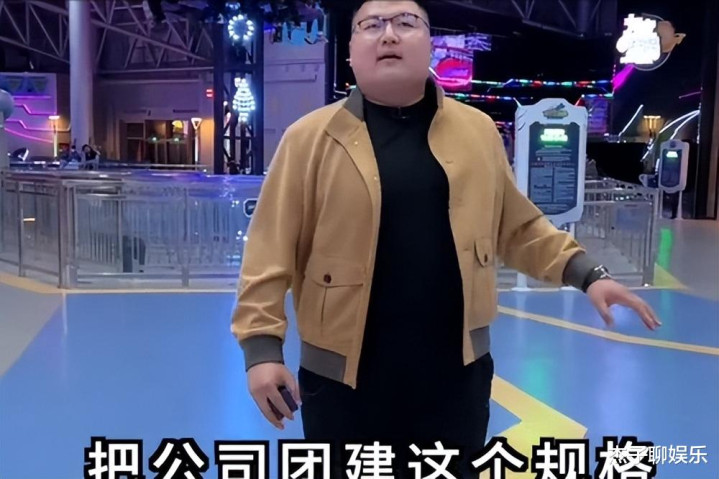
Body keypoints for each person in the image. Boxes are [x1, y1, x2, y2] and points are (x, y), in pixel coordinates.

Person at [230, 1, 662, 477]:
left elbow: (518, 226)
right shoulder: (308, 139)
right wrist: (261, 350)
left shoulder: (476, 132)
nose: (389, 35)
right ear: (350, 51)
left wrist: (588, 274)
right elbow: (269, 249)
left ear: (430, 45)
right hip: (342, 382)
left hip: (455, 377)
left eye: (406, 23)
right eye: (371, 25)